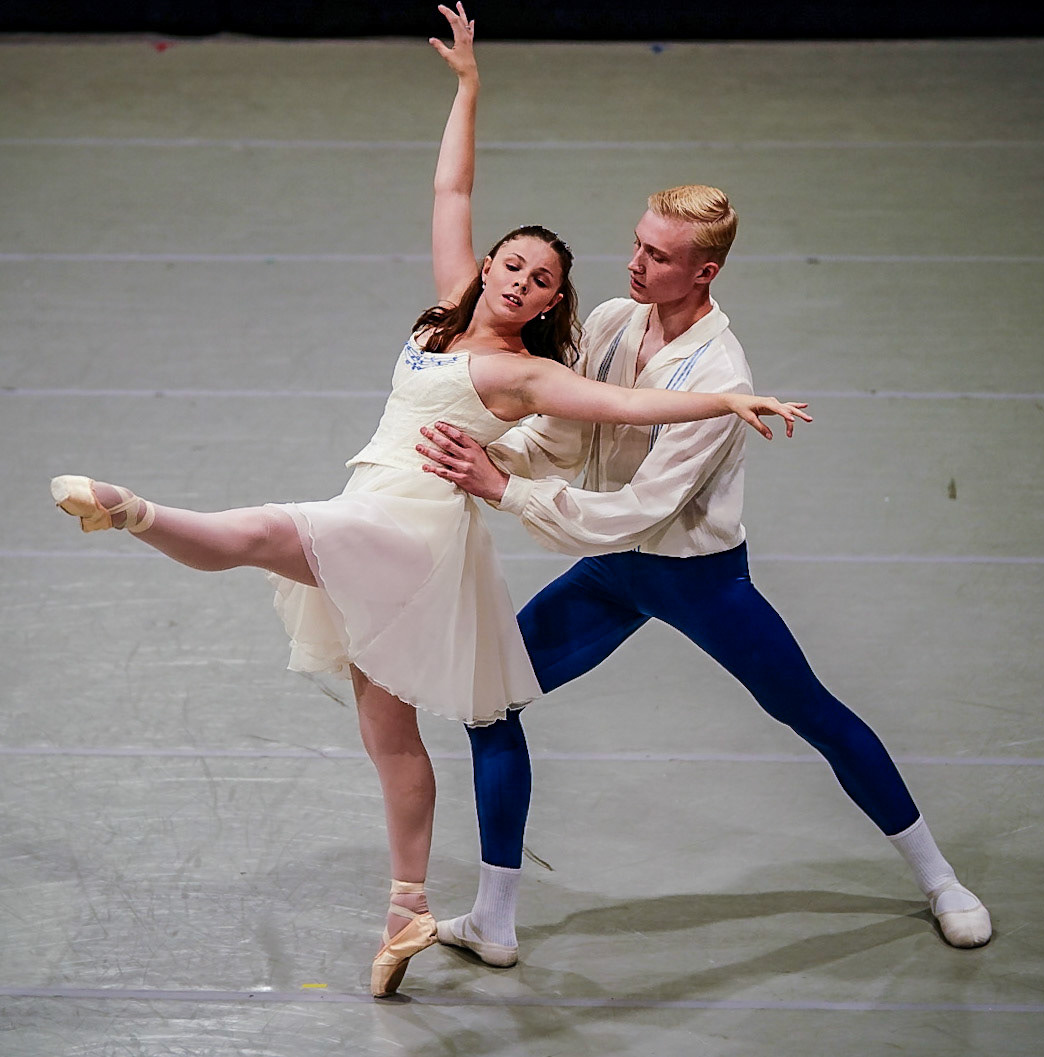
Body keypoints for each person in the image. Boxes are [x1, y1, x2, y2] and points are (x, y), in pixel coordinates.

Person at [49, 5, 809, 998]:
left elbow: (629, 402)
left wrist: (727, 396)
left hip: (407, 530)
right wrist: (468, 86)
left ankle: (132, 512)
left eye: (543, 280)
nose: (522, 280)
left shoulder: (525, 372)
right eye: (513, 263)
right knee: (389, 734)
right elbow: (451, 187)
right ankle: (407, 907)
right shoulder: (448, 308)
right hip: (376, 507)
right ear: (488, 267)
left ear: (551, 305)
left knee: (269, 531)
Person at [418, 198, 992, 963]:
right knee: (487, 701)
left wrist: (506, 491)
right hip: (612, 573)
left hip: (696, 578)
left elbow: (640, 510)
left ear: (704, 272)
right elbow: (561, 434)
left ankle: (940, 878)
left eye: (658, 256)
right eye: (637, 244)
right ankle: (494, 920)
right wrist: (492, 456)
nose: (635, 263)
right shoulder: (613, 321)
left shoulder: (722, 376)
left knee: (811, 711)